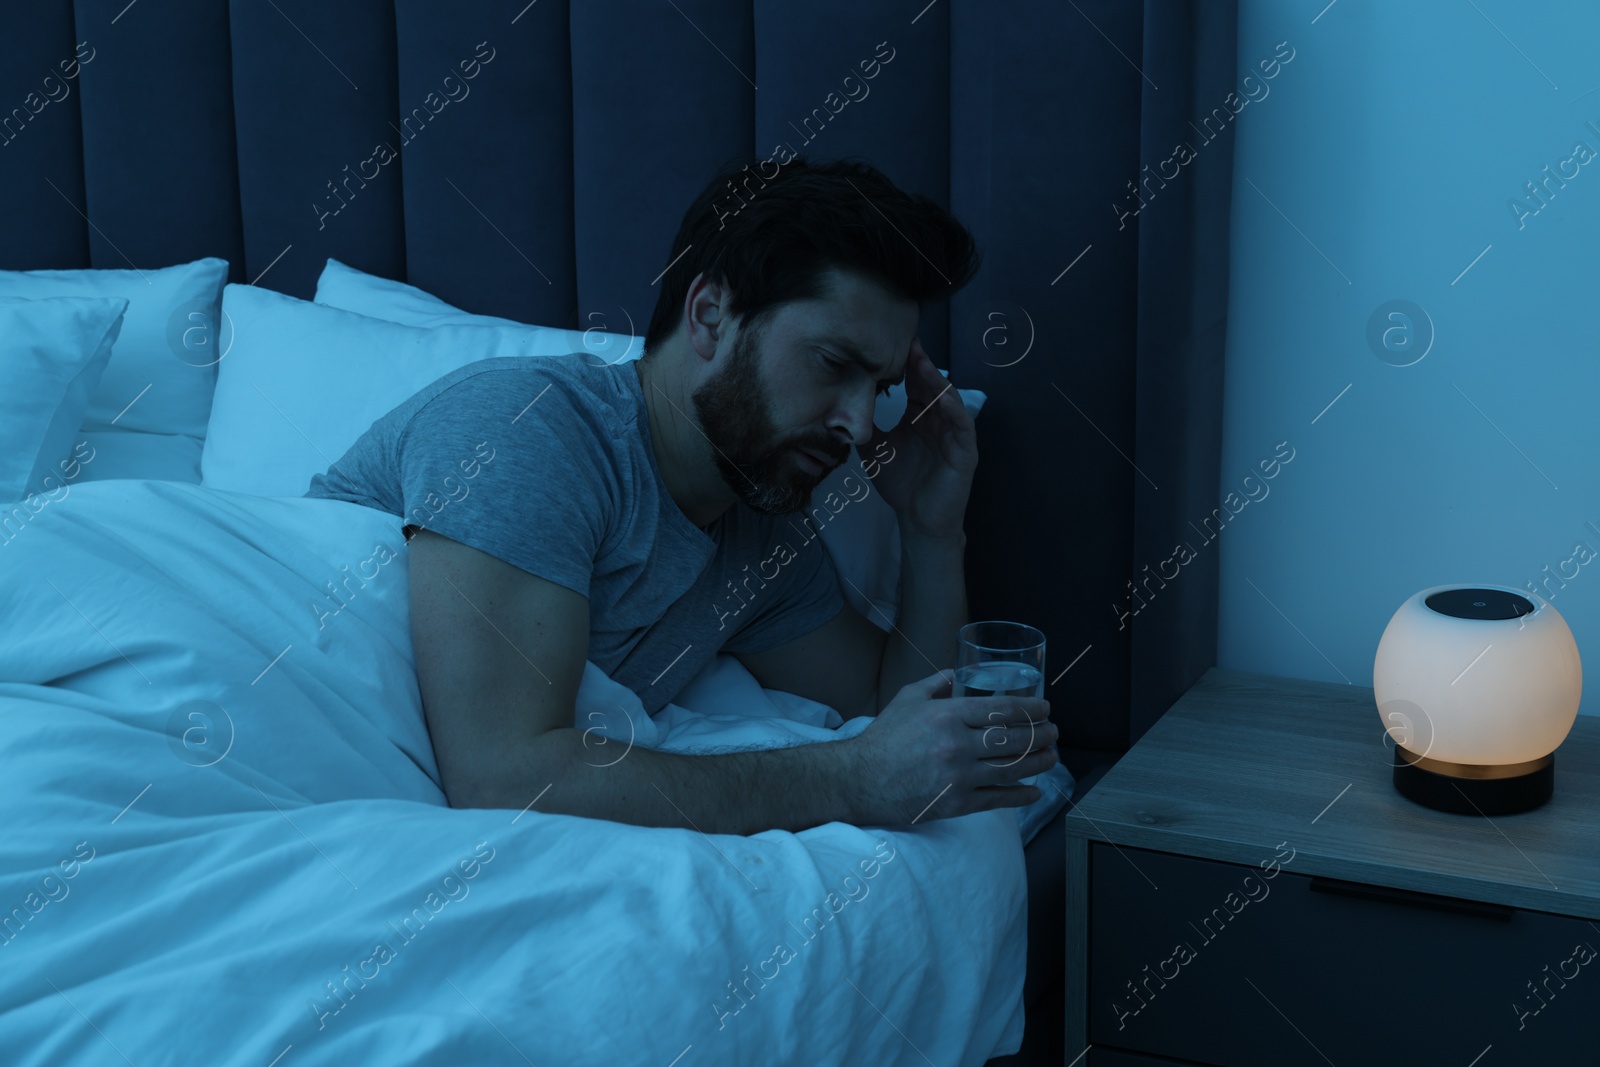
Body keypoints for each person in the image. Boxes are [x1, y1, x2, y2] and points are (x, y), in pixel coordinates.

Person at [304, 155, 1058, 834]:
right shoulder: (529, 433)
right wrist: (851, 781)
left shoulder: (757, 523)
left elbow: (884, 707)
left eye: (881, 389)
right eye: (834, 363)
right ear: (710, 316)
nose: (860, 425)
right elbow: (503, 775)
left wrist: (930, 530)